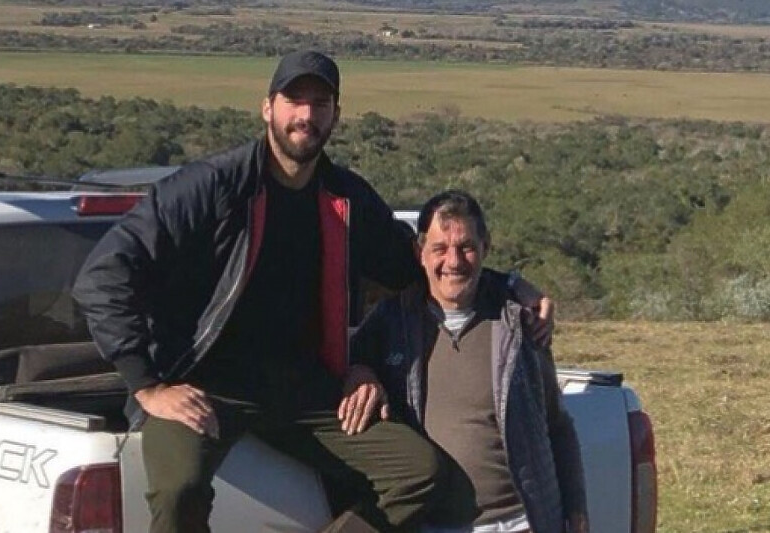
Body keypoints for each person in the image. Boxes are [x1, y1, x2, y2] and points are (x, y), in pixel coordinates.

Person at [73, 49, 553, 533]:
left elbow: (421, 265)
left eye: (319, 103)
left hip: (303, 391)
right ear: (268, 108)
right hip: (201, 383)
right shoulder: (213, 187)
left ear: (335, 116)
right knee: (180, 490)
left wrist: (507, 285)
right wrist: (149, 385)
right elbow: (105, 275)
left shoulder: (346, 199)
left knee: (419, 474)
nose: (305, 114)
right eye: (293, 100)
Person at [349, 190, 589, 533]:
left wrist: (577, 511)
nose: (454, 261)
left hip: (520, 523)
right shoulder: (391, 322)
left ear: (485, 248)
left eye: (466, 247)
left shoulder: (519, 325)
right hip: (429, 524)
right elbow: (346, 360)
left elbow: (558, 425)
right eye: (440, 249)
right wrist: (360, 371)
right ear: (420, 253)